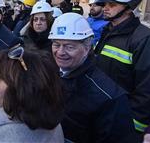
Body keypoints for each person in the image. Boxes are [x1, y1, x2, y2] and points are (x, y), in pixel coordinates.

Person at [48, 12, 136, 143]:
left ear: (87, 48)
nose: (60, 52)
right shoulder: (48, 74)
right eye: (56, 44)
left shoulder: (109, 98)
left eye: (69, 46)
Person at [94, 0, 150, 138]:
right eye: (104, 4)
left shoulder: (147, 41)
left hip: (124, 124)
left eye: (112, 4)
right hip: (104, 114)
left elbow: (149, 92)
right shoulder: (108, 31)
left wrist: (131, 127)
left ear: (129, 8)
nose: (105, 8)